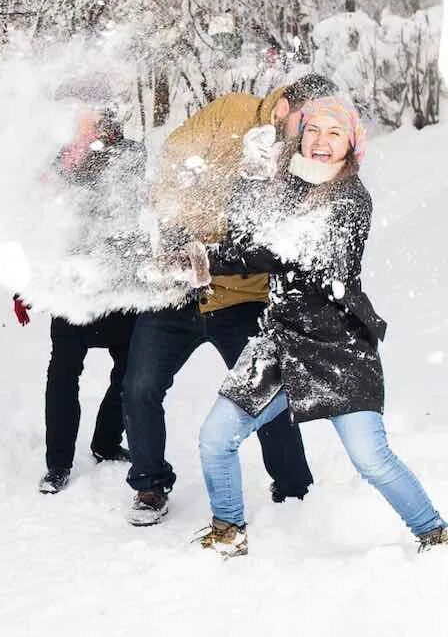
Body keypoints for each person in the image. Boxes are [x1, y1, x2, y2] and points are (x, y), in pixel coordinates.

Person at [191, 96, 448, 556]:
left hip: (338, 346)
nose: (322, 141)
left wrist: (217, 260)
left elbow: (300, 254)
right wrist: (248, 186)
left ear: (351, 143)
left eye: (335, 133)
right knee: (216, 437)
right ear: (301, 134)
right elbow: (247, 238)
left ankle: (434, 531)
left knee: (372, 459)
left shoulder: (352, 197)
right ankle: (228, 530)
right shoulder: (283, 184)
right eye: (313, 130)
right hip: (280, 339)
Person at [122, 75, 335, 526]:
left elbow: (275, 239)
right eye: (308, 120)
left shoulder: (303, 164)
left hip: (242, 298)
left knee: (267, 394)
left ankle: (294, 489)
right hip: (175, 291)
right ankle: (149, 485)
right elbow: (176, 157)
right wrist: (179, 217)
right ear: (286, 106)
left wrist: (218, 239)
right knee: (140, 386)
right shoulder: (232, 110)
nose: (313, 133)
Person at [23, 106, 146, 494]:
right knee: (62, 375)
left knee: (129, 372)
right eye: (78, 120)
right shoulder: (58, 160)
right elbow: (39, 222)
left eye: (91, 120)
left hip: (119, 285)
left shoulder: (132, 154)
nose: (83, 126)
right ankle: (57, 465)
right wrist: (25, 284)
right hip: (72, 286)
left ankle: (106, 441)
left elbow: (124, 199)